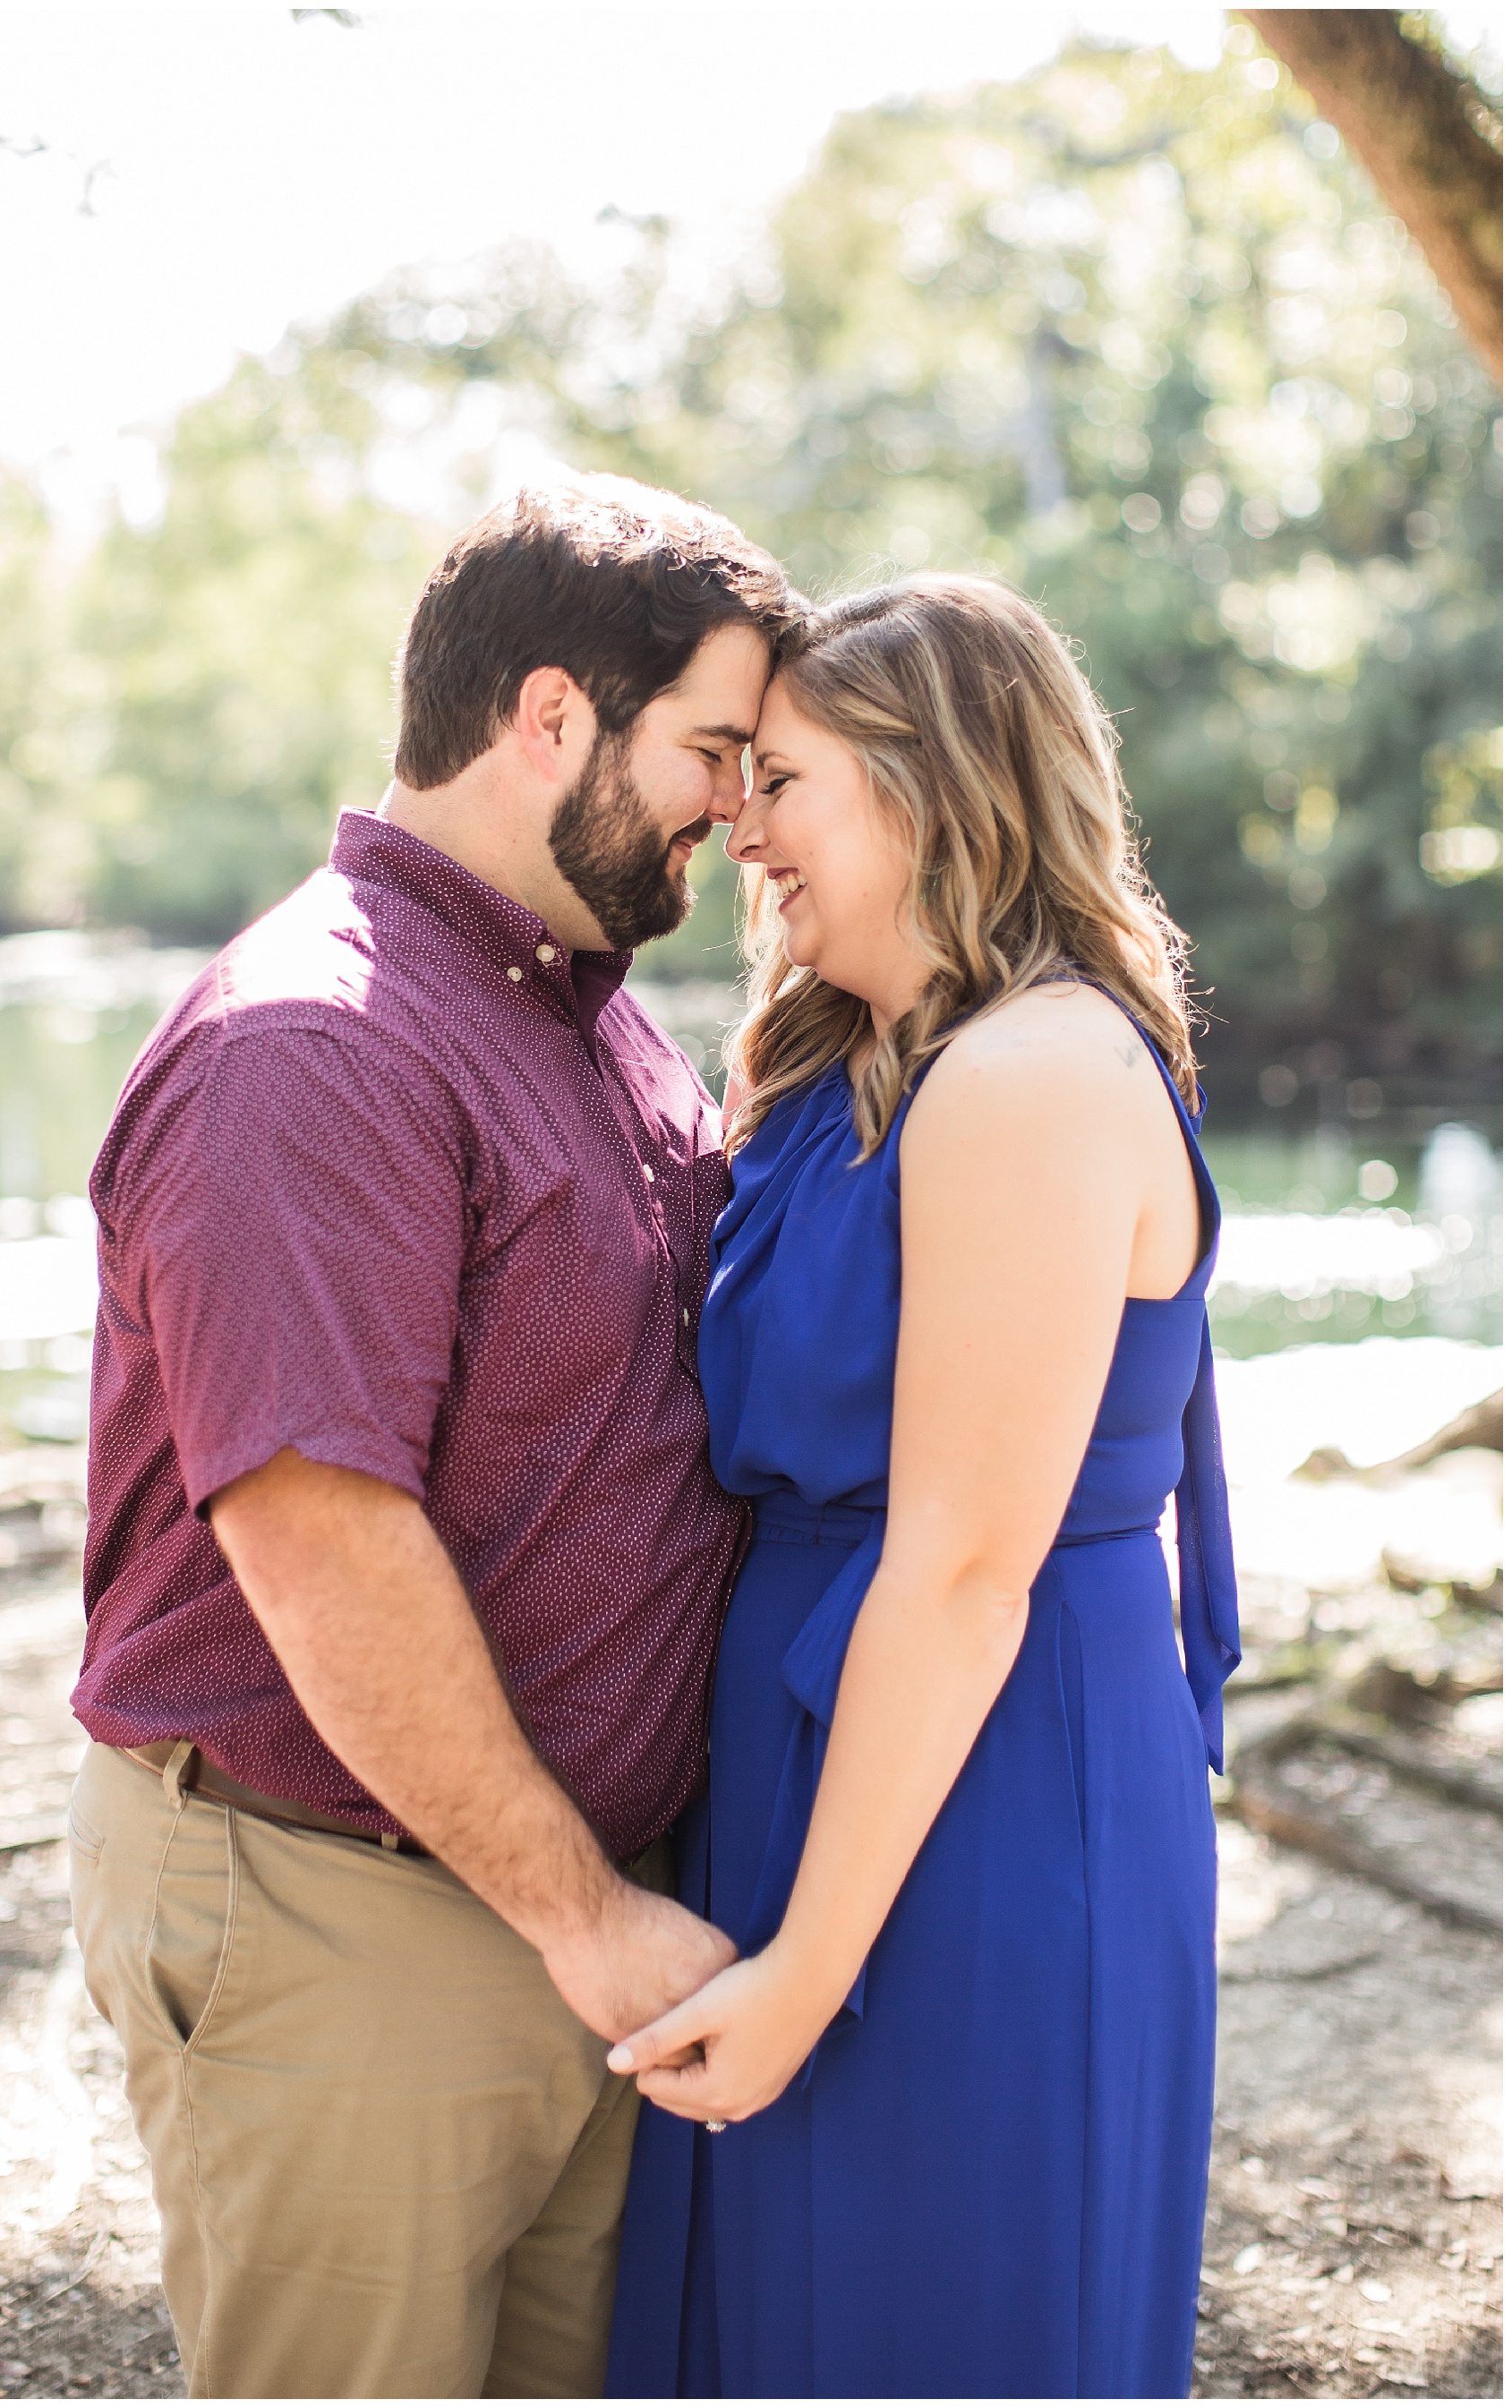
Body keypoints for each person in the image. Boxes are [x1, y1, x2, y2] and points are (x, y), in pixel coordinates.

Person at [66, 479, 794, 2399]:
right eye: (712, 749)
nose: (738, 804)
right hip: (349, 1914)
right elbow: (322, 1542)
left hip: (555, 1911)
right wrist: (585, 1913)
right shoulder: (313, 1048)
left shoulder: (575, 1004)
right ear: (550, 717)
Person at [604, 576, 1241, 2400]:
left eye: (783, 778)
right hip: (833, 1754)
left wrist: (809, 1967)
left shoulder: (1031, 1075)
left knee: (931, 2306)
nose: (741, 824)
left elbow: (965, 1573)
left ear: (932, 785)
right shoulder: (851, 1068)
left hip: (984, 1782)